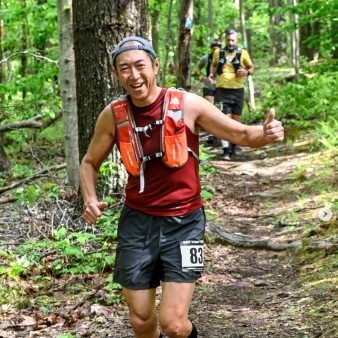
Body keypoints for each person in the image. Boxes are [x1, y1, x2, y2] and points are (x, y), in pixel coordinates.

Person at [80, 36, 284, 338]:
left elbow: (241, 134)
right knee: (141, 319)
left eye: (140, 66)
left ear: (155, 66)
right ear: (115, 74)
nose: (134, 76)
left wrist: (264, 135)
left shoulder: (187, 105)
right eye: (125, 69)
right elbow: (89, 163)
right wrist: (90, 199)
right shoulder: (113, 115)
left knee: (174, 324)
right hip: (137, 222)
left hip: (185, 223)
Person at [208, 28, 255, 161]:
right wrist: (211, 74)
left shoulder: (243, 53)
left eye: (233, 40)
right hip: (222, 90)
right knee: (224, 121)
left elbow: (252, 67)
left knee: (236, 120)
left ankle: (235, 145)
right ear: (225, 40)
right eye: (228, 40)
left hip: (237, 90)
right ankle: (226, 150)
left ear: (237, 40)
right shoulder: (218, 52)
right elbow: (213, 65)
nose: (230, 43)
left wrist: (246, 72)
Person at [195, 39, 221, 105]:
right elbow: (198, 66)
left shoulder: (223, 58)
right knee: (210, 106)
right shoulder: (206, 58)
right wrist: (199, 75)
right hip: (209, 85)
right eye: (213, 49)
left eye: (217, 49)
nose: (215, 51)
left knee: (219, 108)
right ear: (211, 49)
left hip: (221, 85)